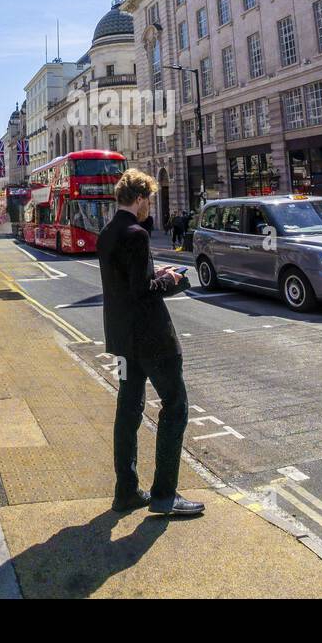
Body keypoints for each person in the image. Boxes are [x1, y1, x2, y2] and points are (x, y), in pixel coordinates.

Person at [96, 169, 202, 517]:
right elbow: (142, 292)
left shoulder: (108, 233)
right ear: (139, 198)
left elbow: (129, 284)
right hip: (153, 340)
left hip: (123, 340)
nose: (149, 207)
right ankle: (164, 495)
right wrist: (171, 280)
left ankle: (125, 491)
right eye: (149, 200)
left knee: (128, 409)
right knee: (176, 406)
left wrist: (156, 275)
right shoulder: (137, 234)